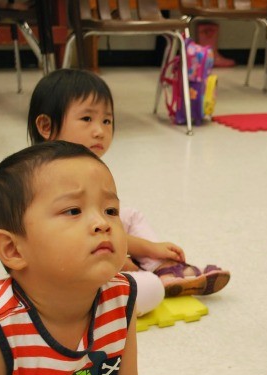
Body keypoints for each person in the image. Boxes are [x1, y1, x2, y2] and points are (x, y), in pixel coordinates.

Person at [0, 141, 195, 375]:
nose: (102, 223)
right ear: (12, 248)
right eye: (73, 211)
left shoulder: (121, 296)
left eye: (110, 210)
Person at [26, 69, 230, 316]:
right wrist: (141, 250)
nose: (100, 130)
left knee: (130, 215)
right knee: (150, 289)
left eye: (107, 121)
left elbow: (103, 226)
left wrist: (137, 248)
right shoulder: (56, 179)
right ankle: (140, 275)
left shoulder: (82, 169)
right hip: (70, 272)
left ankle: (162, 268)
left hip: (92, 244)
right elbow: (84, 235)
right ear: (46, 126)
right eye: (87, 119)